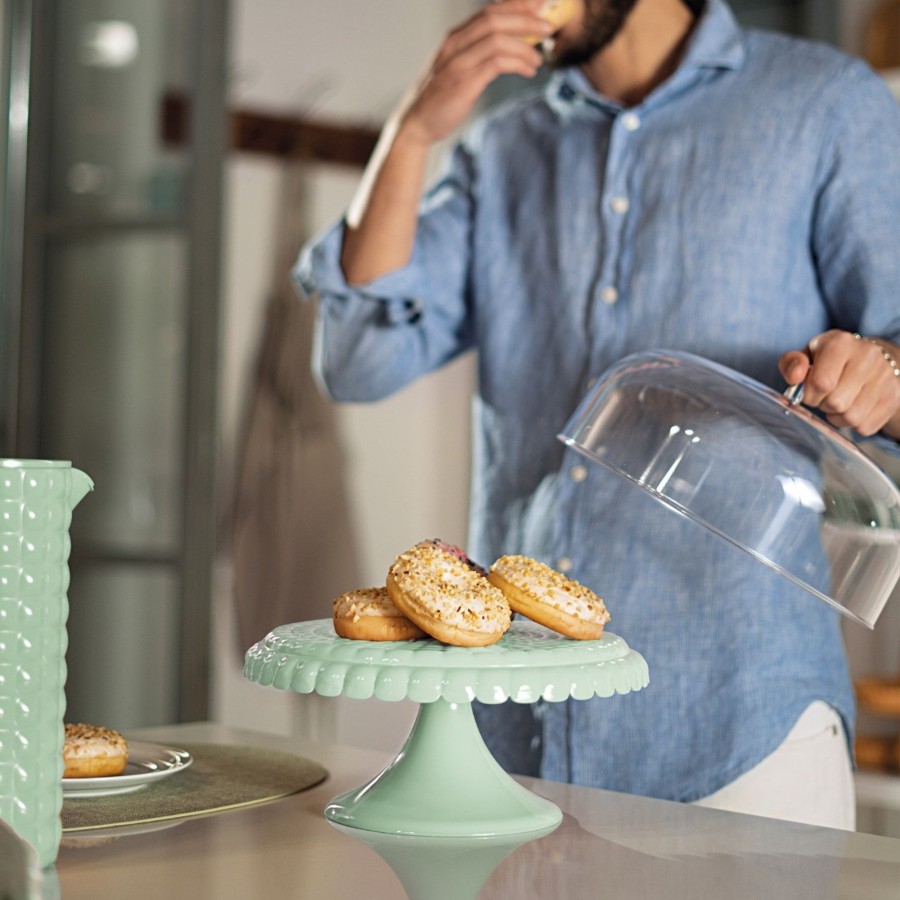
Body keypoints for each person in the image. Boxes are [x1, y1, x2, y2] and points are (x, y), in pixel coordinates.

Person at [296, 0, 900, 829]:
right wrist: (410, 133)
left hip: (745, 741)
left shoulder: (827, 104)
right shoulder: (501, 139)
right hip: (512, 739)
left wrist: (884, 371)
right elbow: (358, 360)